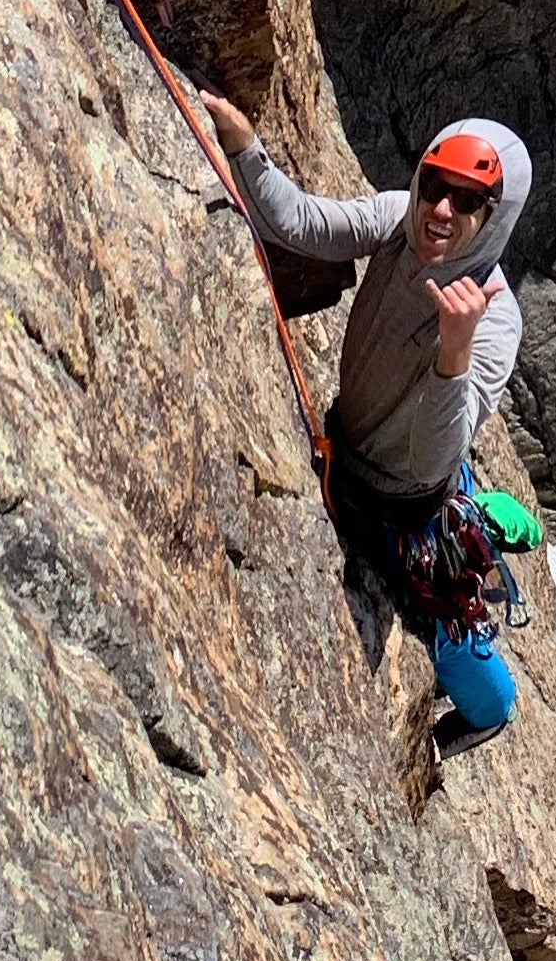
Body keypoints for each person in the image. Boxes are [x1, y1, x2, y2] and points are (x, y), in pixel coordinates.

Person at [200, 93, 532, 739]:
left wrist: (454, 349)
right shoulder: (396, 219)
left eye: (467, 202)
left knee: (449, 621)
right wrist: (245, 145)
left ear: (496, 217)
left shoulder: (495, 323)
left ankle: (493, 713)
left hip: (401, 497)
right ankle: (485, 513)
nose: (440, 210)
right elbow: (298, 224)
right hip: (355, 446)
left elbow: (435, 456)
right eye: (435, 186)